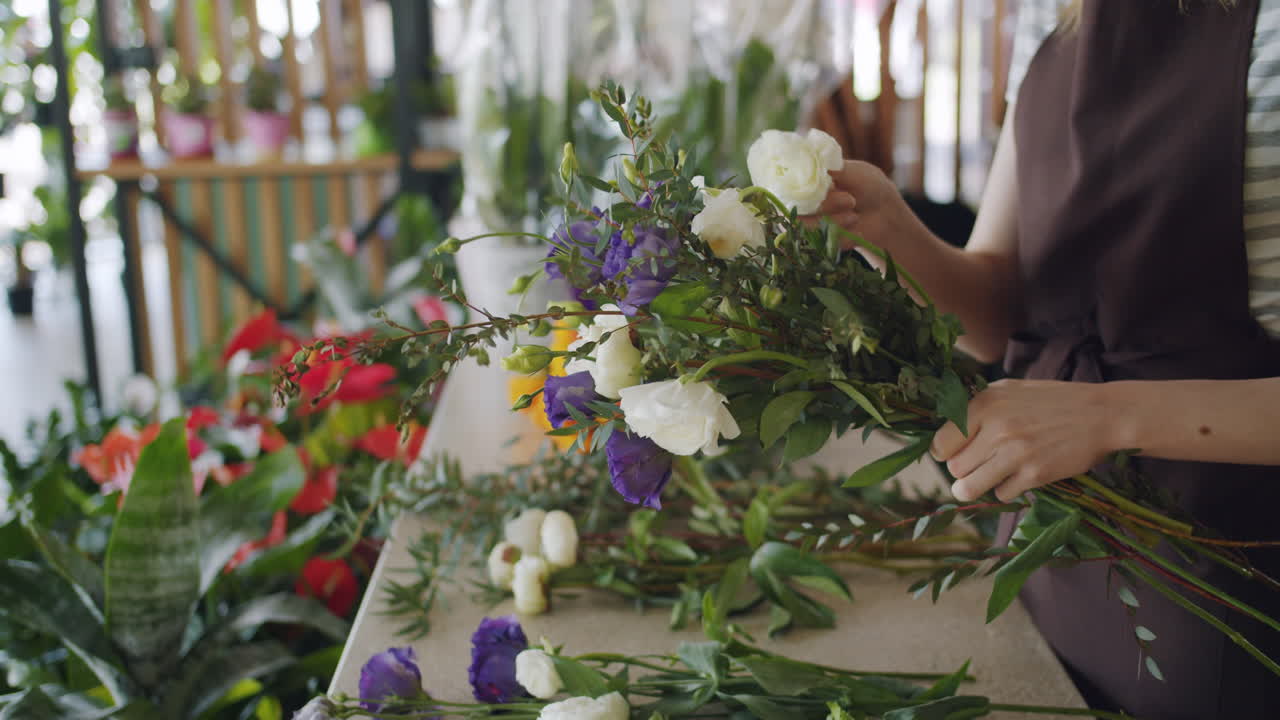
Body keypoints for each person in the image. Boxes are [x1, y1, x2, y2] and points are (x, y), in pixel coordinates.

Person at [808, 0, 1280, 717]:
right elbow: (1002, 310)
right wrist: (888, 229)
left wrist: (1109, 415)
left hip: (1229, 567)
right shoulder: (1053, 18)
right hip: (1051, 547)